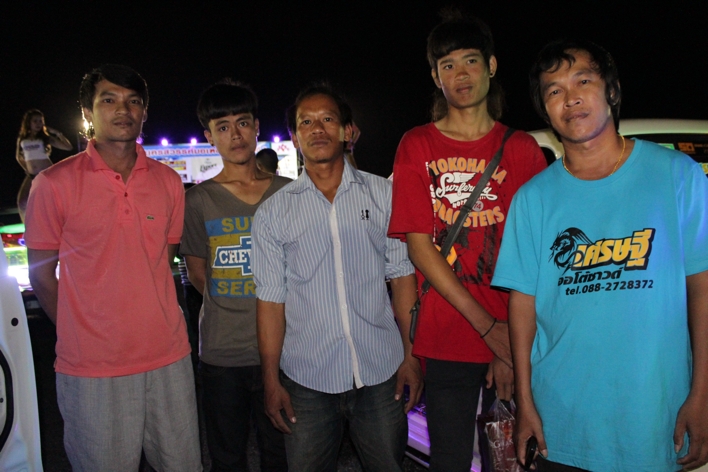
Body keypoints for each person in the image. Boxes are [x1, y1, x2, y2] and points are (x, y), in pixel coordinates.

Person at [492, 39, 708, 472]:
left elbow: (701, 289)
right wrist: (525, 402)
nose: (570, 98)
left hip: (655, 420)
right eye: (554, 90)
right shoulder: (533, 199)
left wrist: (701, 394)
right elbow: (523, 305)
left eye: (583, 81)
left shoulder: (676, 175)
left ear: (611, 89)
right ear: (545, 109)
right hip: (561, 425)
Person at [387, 13, 546, 472]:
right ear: (435, 77)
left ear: (491, 66)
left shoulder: (521, 150)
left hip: (513, 331)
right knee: (450, 460)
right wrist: (487, 328)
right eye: (448, 65)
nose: (460, 74)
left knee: (513, 460)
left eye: (470, 61)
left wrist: (508, 341)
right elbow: (419, 248)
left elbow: (534, 254)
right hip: (447, 336)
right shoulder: (416, 145)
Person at [25, 64, 201, 472]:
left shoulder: (168, 182)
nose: (123, 109)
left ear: (144, 113)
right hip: (92, 369)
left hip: (168, 357)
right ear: (88, 112)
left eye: (133, 101)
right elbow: (41, 274)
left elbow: (163, 259)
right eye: (109, 100)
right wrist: (81, 331)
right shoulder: (53, 184)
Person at [252, 84, 422, 472]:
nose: (317, 129)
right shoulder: (273, 214)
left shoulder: (384, 195)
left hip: (381, 370)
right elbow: (270, 302)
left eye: (328, 119)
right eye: (306, 122)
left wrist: (412, 356)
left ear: (347, 130)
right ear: (294, 137)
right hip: (306, 378)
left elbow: (402, 278)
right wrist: (271, 380)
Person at [180, 80, 290, 472]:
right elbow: (198, 273)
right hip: (222, 353)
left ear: (256, 126)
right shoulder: (198, 200)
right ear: (209, 136)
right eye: (223, 127)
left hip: (284, 351)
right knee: (227, 458)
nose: (236, 135)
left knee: (281, 455)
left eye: (243, 123)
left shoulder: (288, 193)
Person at [15, 109, 72, 222]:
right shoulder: (23, 139)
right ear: (29, 123)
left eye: (41, 121)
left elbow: (68, 147)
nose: (38, 124)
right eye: (35, 121)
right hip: (32, 175)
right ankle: (29, 228)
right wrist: (26, 169)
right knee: (22, 201)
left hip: (46, 173)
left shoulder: (45, 138)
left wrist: (57, 133)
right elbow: (18, 156)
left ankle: (61, 224)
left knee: (52, 202)